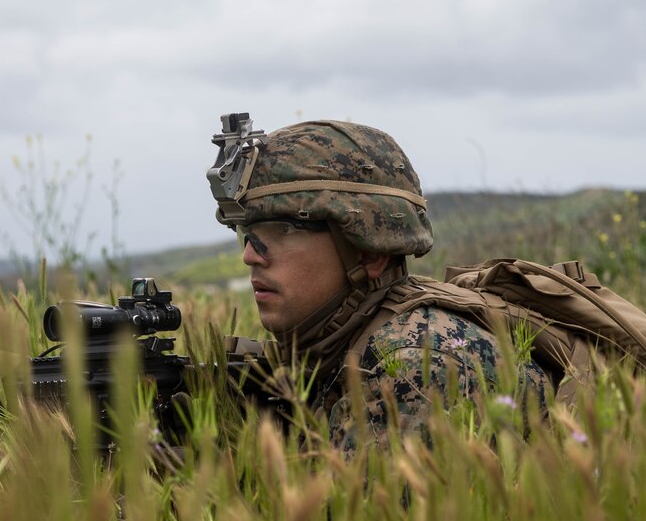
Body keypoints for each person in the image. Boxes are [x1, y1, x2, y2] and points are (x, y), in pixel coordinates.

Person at [208, 113, 549, 451]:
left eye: (284, 230)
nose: (250, 256)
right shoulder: (328, 346)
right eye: (246, 235)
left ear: (369, 253)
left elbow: (347, 505)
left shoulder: (414, 367)